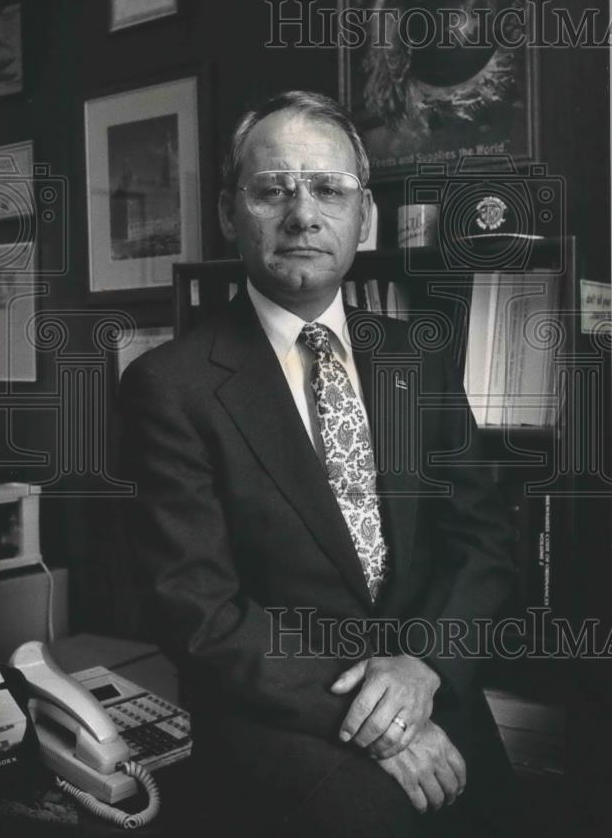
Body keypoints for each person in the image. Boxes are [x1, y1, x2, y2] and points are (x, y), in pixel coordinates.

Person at [118, 90, 517, 837]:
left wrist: (422, 667)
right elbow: (196, 610)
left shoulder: (415, 358)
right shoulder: (170, 387)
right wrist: (372, 719)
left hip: (431, 688)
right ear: (230, 213)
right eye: (272, 189)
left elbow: (485, 543)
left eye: (328, 189)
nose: (303, 214)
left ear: (362, 217)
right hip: (279, 719)